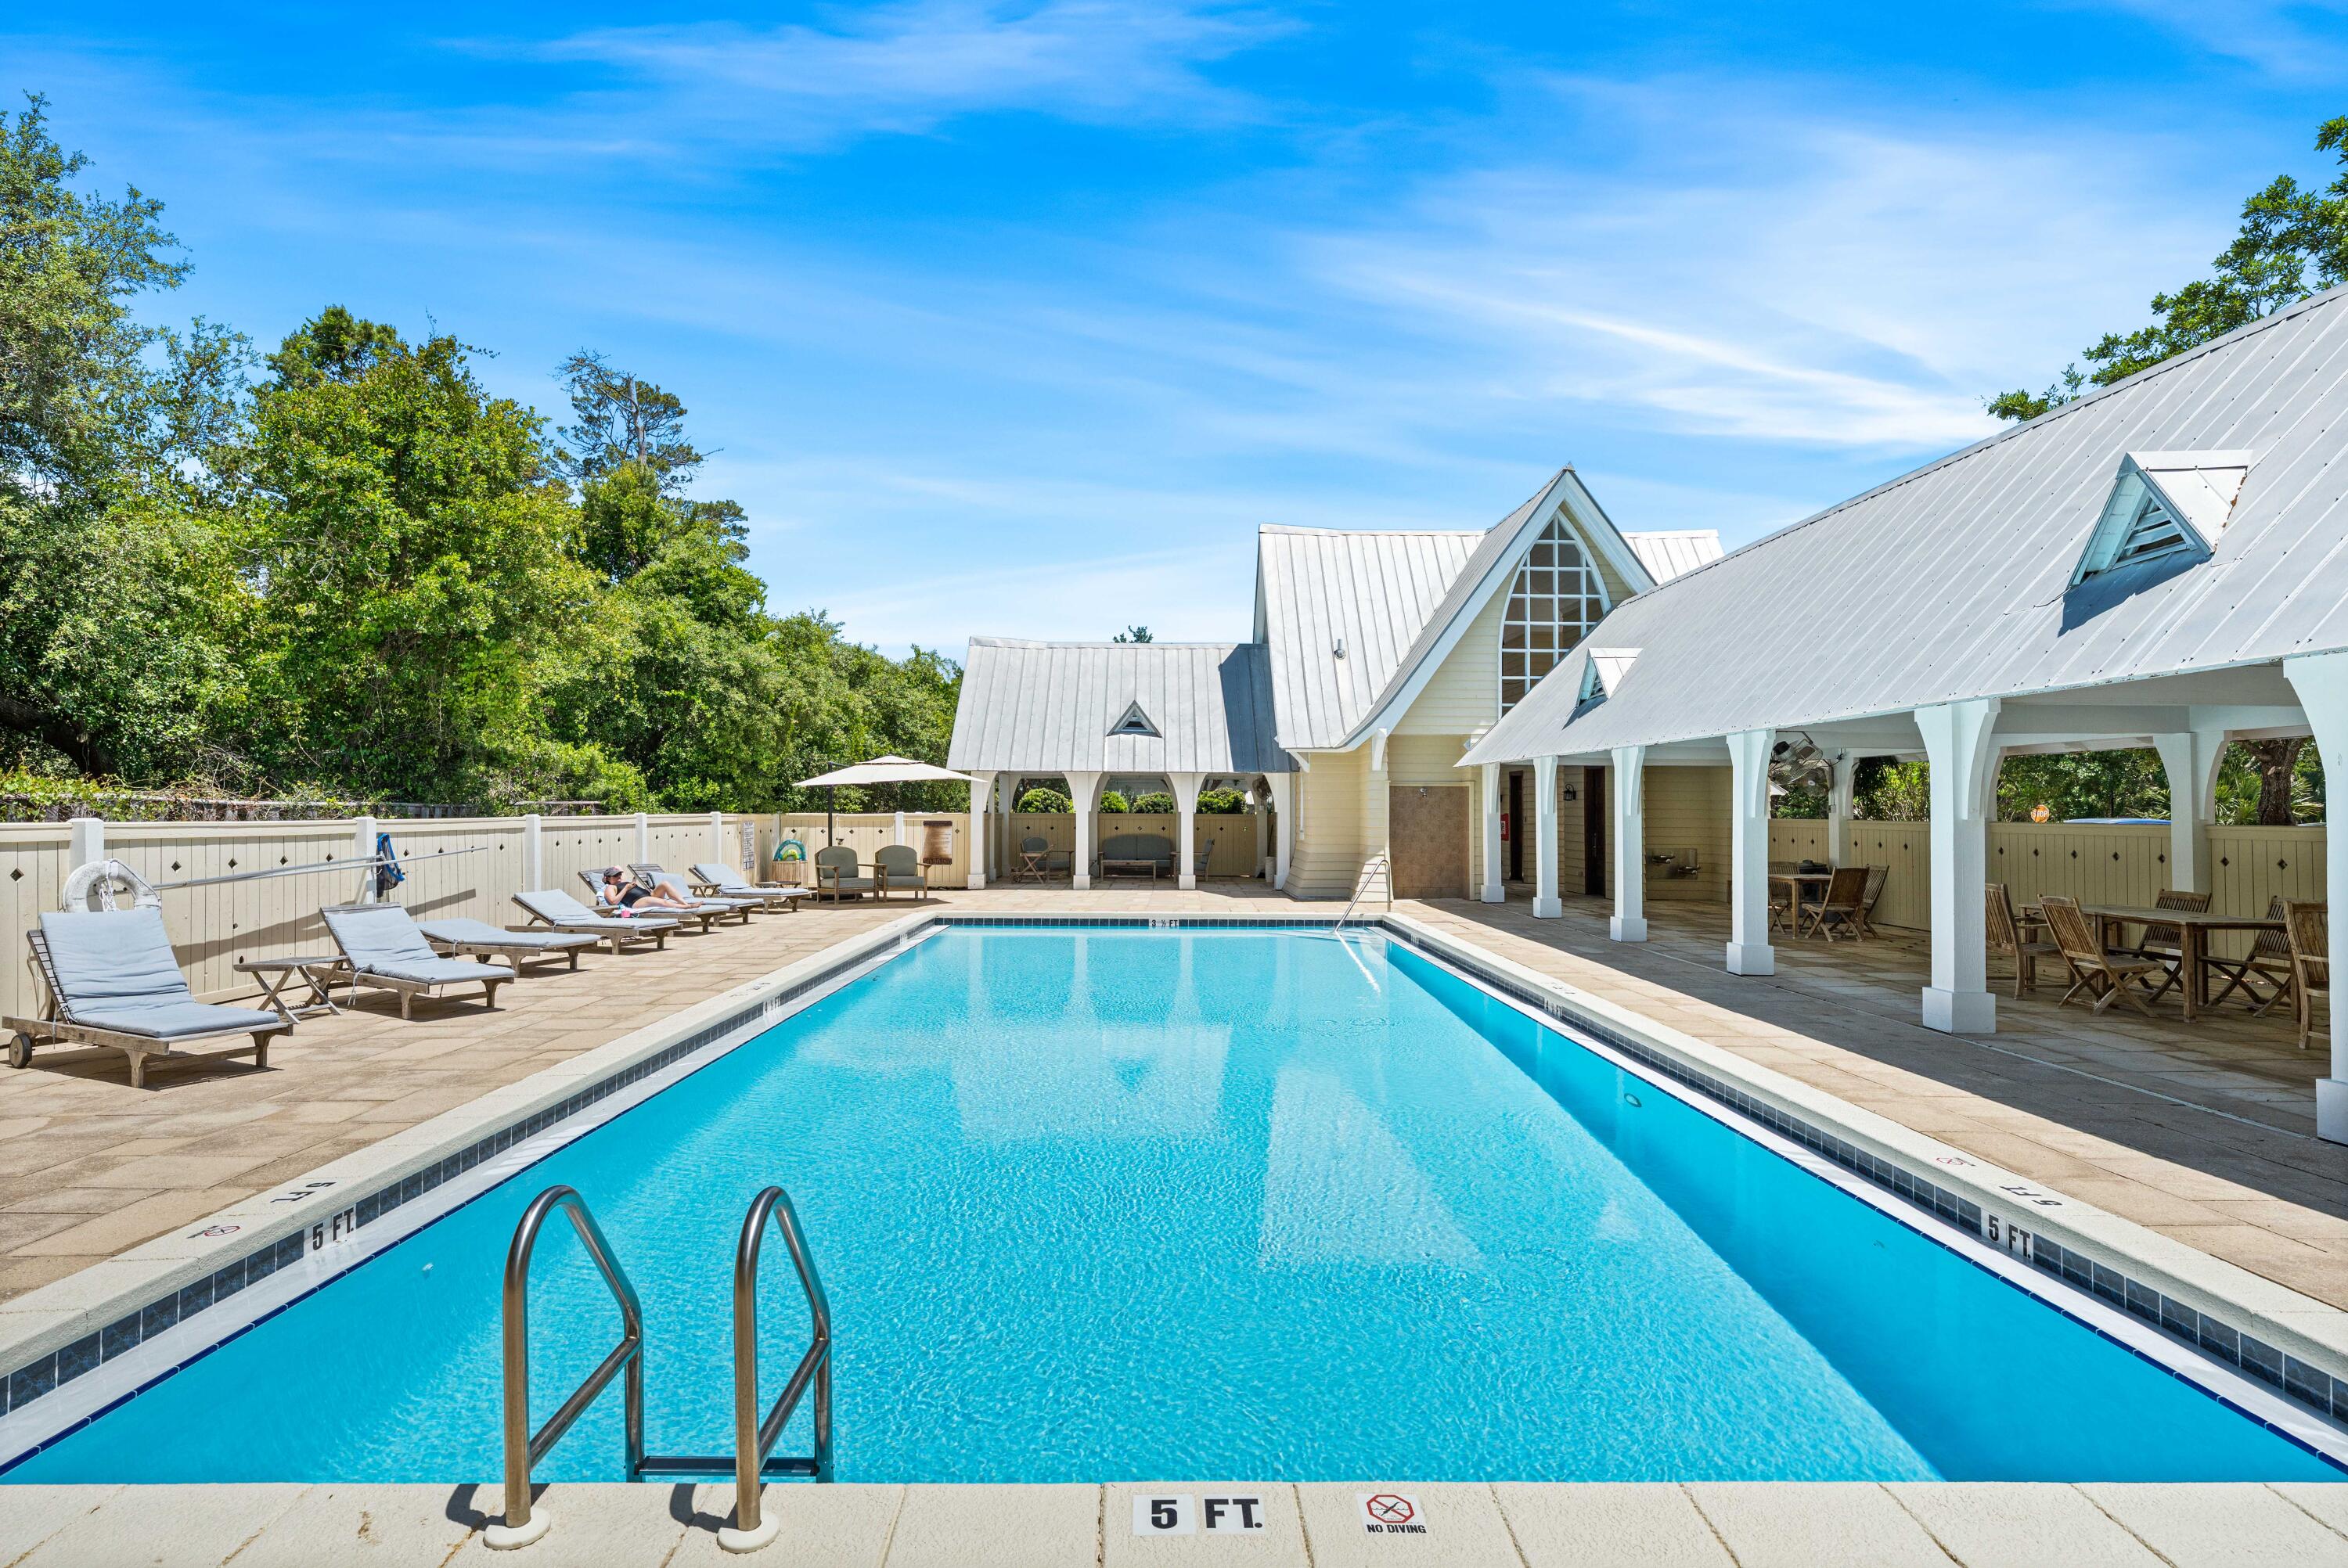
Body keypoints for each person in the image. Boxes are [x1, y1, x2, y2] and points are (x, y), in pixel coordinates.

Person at [596, 867, 695, 914]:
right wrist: (626, 888)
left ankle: (683, 902)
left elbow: (618, 866)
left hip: (649, 896)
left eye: (619, 875)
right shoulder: (610, 888)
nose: (618, 877)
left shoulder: (623, 881)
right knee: (663, 902)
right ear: (608, 878)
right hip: (637, 902)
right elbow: (614, 901)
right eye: (615, 876)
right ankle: (685, 907)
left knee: (665, 884)